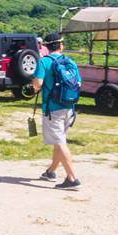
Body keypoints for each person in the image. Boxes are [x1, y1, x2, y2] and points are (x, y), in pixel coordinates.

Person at [32, 32, 81, 190]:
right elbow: (78, 83)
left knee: (59, 142)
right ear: (61, 46)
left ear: (46, 46)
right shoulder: (71, 62)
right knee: (59, 140)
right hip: (70, 107)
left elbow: (37, 85)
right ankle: (51, 172)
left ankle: (72, 179)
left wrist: (34, 85)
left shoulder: (44, 62)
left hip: (52, 109)